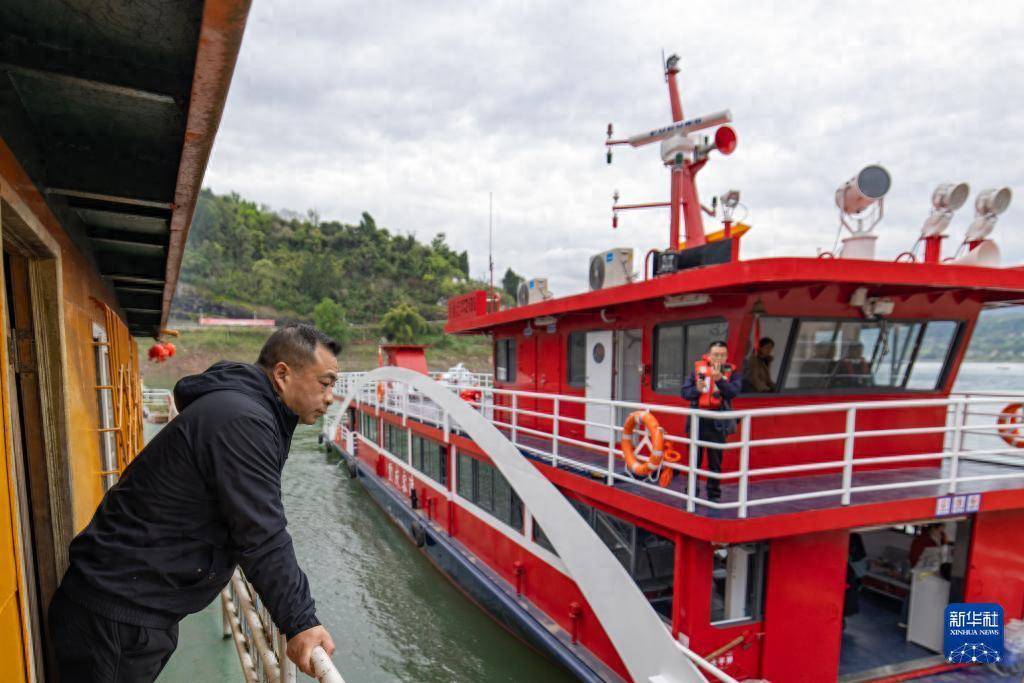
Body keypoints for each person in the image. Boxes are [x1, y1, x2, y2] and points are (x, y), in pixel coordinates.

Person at [49, 324, 340, 681]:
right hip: (117, 614)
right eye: (324, 384)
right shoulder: (242, 420)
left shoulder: (242, 410)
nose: (330, 397)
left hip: (129, 604)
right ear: (282, 374)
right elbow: (261, 532)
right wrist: (301, 622)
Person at [681, 340, 743, 501]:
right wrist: (697, 389)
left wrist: (720, 380)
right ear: (709, 355)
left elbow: (733, 392)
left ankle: (713, 495)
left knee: (715, 462)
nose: (719, 358)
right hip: (698, 421)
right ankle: (691, 493)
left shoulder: (732, 372)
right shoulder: (696, 371)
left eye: (722, 355)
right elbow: (684, 393)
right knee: (694, 460)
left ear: (727, 356)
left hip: (718, 421)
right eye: (716, 355)